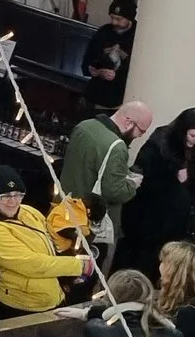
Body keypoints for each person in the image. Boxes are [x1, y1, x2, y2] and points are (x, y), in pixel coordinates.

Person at [0, 164, 95, 319]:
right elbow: (32, 264)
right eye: (5, 196)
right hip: (20, 304)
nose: (13, 201)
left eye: (18, 194)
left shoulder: (29, 212)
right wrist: (79, 266)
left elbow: (51, 240)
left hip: (50, 296)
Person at [114, 106, 195, 282]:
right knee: (139, 267)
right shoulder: (157, 146)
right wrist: (174, 176)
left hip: (172, 222)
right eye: (194, 136)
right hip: (149, 221)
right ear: (183, 131)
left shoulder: (193, 146)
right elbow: (144, 181)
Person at [58, 101, 151, 261]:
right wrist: (132, 184)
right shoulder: (117, 146)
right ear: (129, 122)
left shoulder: (84, 126)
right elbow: (113, 191)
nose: (139, 136)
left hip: (63, 209)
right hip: (91, 220)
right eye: (141, 131)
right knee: (87, 270)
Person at [78, 0, 137, 114]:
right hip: (93, 97)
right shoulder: (104, 32)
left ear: (129, 19)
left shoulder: (138, 37)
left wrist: (117, 76)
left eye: (119, 19)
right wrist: (95, 71)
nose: (114, 22)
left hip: (117, 104)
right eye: (112, 17)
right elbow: (86, 63)